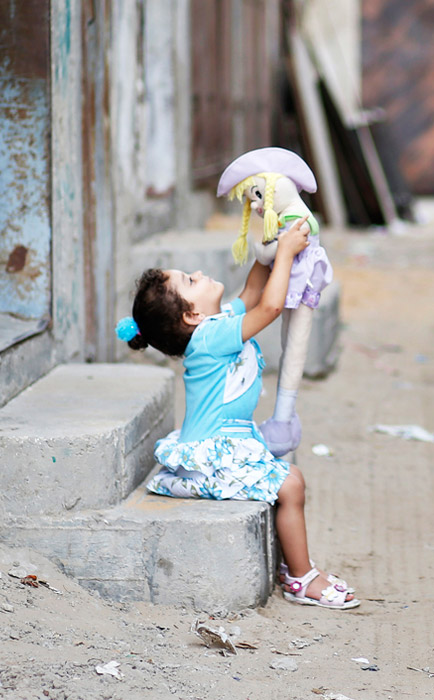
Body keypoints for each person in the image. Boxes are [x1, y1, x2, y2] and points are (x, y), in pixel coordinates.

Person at [115, 219, 357, 610]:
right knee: (290, 485)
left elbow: (253, 291)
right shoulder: (210, 339)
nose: (198, 273)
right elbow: (270, 306)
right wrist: (285, 254)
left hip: (226, 444)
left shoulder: (217, 323)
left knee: (291, 478)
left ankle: (297, 569)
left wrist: (267, 248)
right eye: (189, 280)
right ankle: (301, 578)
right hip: (212, 458)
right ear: (192, 316)